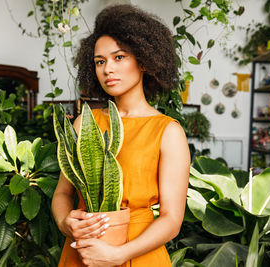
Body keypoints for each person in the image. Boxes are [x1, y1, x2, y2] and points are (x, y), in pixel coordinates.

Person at [51, 4, 190, 267]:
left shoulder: (168, 131)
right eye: (100, 61)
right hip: (83, 254)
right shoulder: (86, 122)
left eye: (119, 57)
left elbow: (172, 220)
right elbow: (62, 194)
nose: (107, 70)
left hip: (139, 255)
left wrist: (119, 255)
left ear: (144, 61)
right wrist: (65, 224)